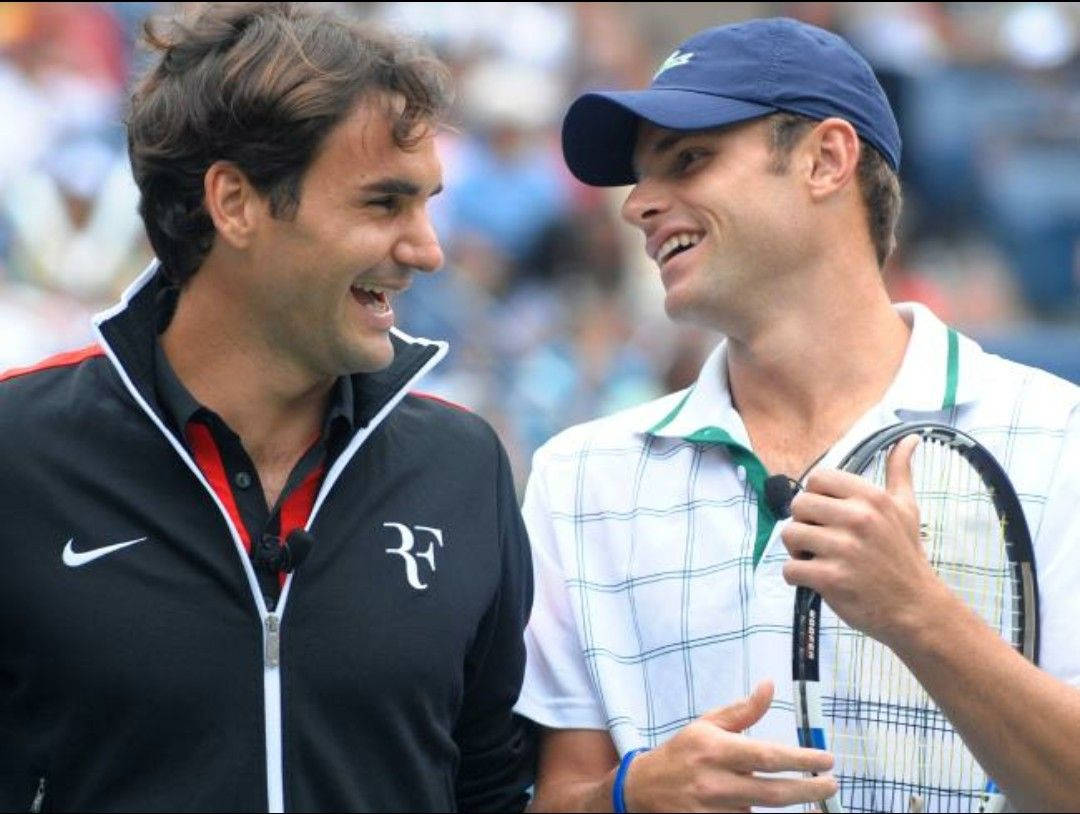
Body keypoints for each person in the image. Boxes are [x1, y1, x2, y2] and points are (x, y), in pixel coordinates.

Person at [514, 17, 1080, 812]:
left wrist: (919, 616)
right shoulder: (576, 478)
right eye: (641, 178)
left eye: (688, 160)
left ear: (826, 160)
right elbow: (558, 793)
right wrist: (630, 796)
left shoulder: (1063, 437)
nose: (639, 205)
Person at [0, 4, 535, 811]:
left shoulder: (463, 463)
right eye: (384, 204)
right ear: (235, 203)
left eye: (427, 203)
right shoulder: (18, 450)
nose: (427, 249)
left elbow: (491, 786)